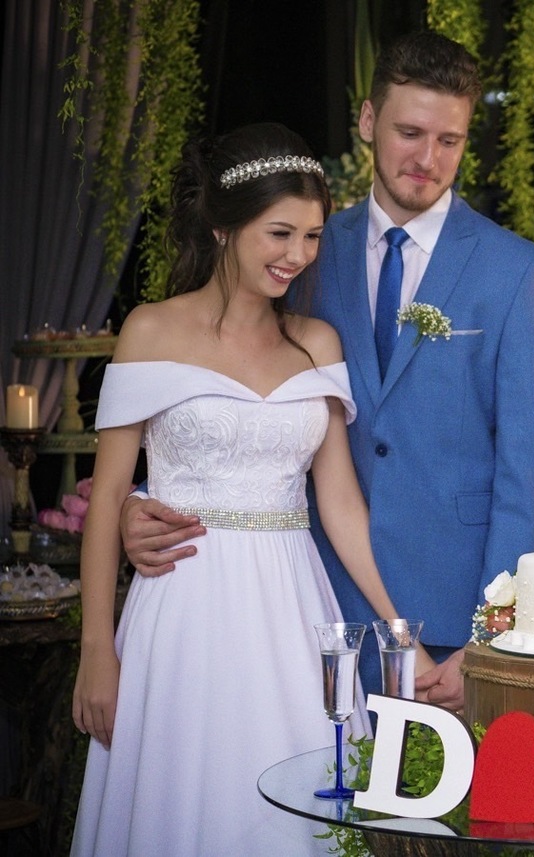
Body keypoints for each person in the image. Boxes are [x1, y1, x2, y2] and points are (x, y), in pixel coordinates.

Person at [118, 32, 534, 710]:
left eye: (449, 140)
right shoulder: (302, 250)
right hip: (307, 608)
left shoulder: (516, 271)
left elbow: (528, 472)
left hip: (454, 625)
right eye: (410, 133)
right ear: (367, 120)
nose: (427, 159)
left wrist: (493, 633)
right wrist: (143, 500)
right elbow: (226, 379)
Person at [68, 123, 434, 856]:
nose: (297, 255)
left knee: (300, 804)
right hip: (182, 610)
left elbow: (340, 505)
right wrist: (95, 648)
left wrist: (402, 634)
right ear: (223, 228)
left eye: (312, 236)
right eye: (279, 233)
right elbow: (108, 501)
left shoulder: (317, 343)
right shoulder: (149, 331)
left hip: (291, 610)